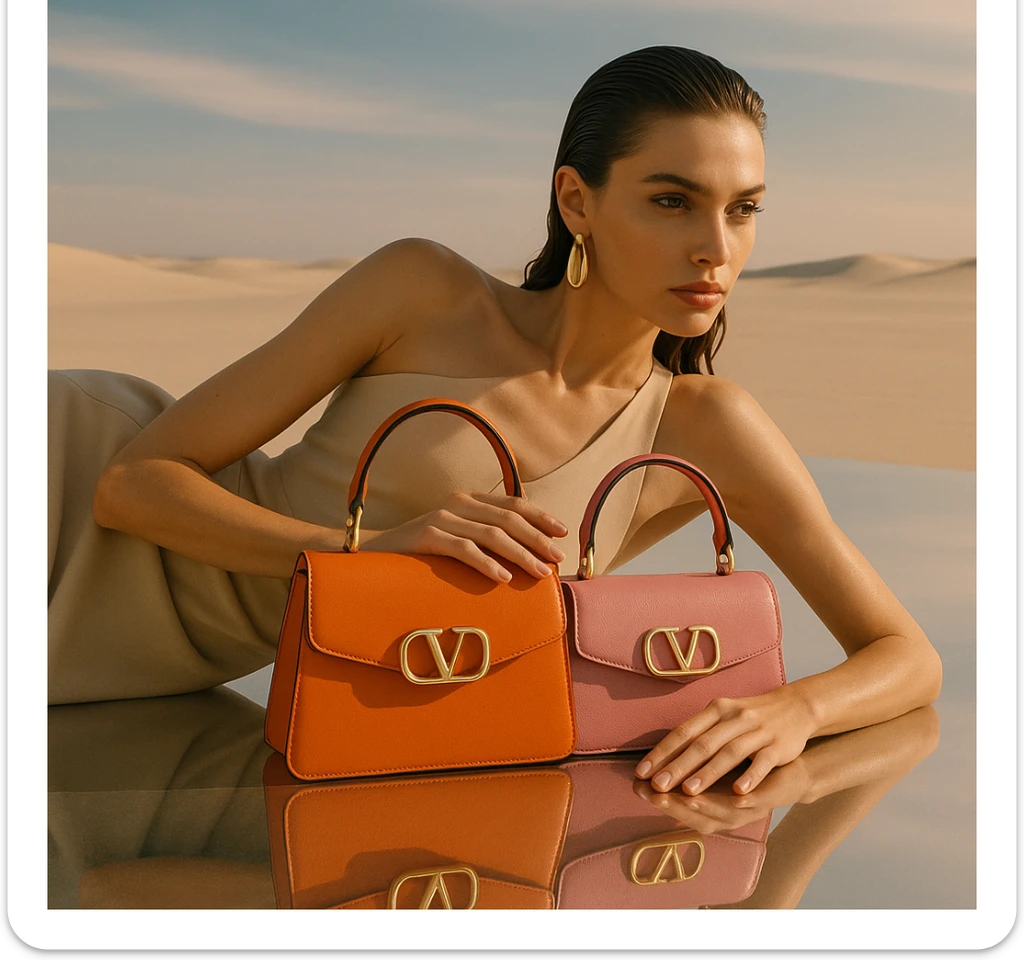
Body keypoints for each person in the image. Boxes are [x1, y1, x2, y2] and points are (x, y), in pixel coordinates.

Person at [48, 45, 942, 797]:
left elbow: (906, 655)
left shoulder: (705, 427)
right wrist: (366, 555)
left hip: (156, 673)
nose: (717, 247)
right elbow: (132, 487)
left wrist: (794, 710)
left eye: (743, 209)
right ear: (577, 200)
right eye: (672, 201)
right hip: (63, 496)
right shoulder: (422, 290)